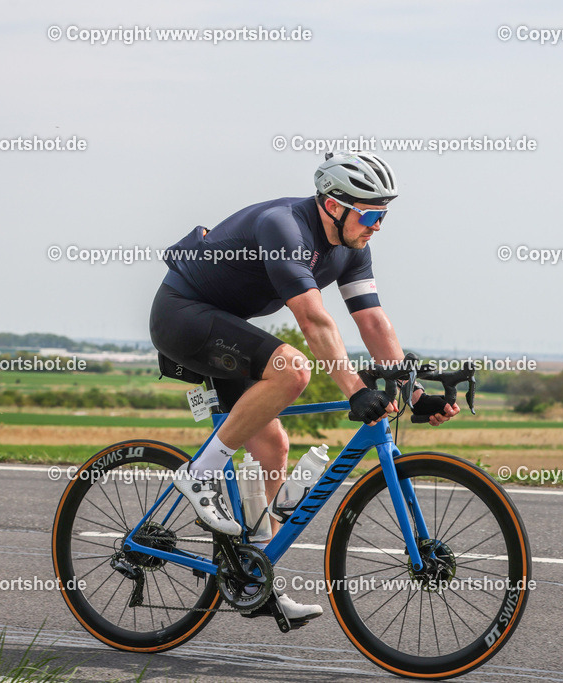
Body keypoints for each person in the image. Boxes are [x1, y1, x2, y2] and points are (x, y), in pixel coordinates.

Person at [149, 152, 460, 623]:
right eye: (371, 213)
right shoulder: (284, 227)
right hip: (181, 315)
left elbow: (373, 321)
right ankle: (199, 474)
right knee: (292, 368)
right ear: (333, 205)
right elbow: (313, 319)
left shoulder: (353, 246)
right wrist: (355, 388)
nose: (377, 225)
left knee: (273, 446)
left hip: (226, 326)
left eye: (384, 214)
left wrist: (415, 395)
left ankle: (253, 576)